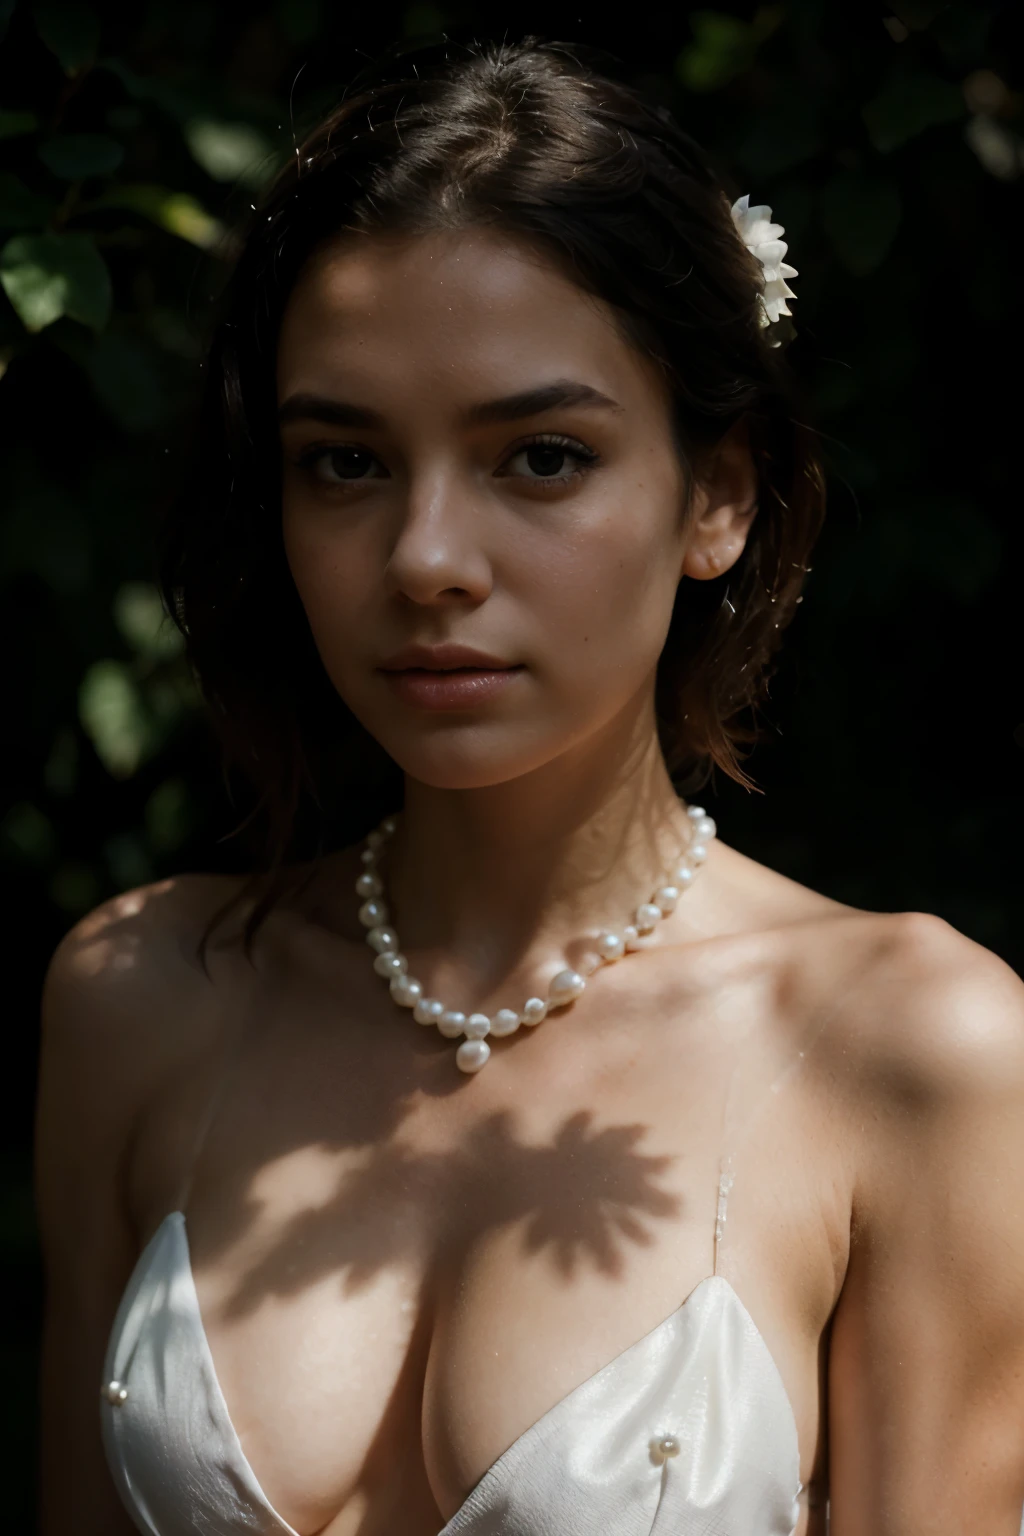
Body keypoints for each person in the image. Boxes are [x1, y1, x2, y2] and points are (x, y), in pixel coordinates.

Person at [35, 35, 1024, 1536]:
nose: (428, 558)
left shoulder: (913, 1051)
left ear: (719, 496)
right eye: (347, 464)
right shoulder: (138, 995)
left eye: (542, 457)